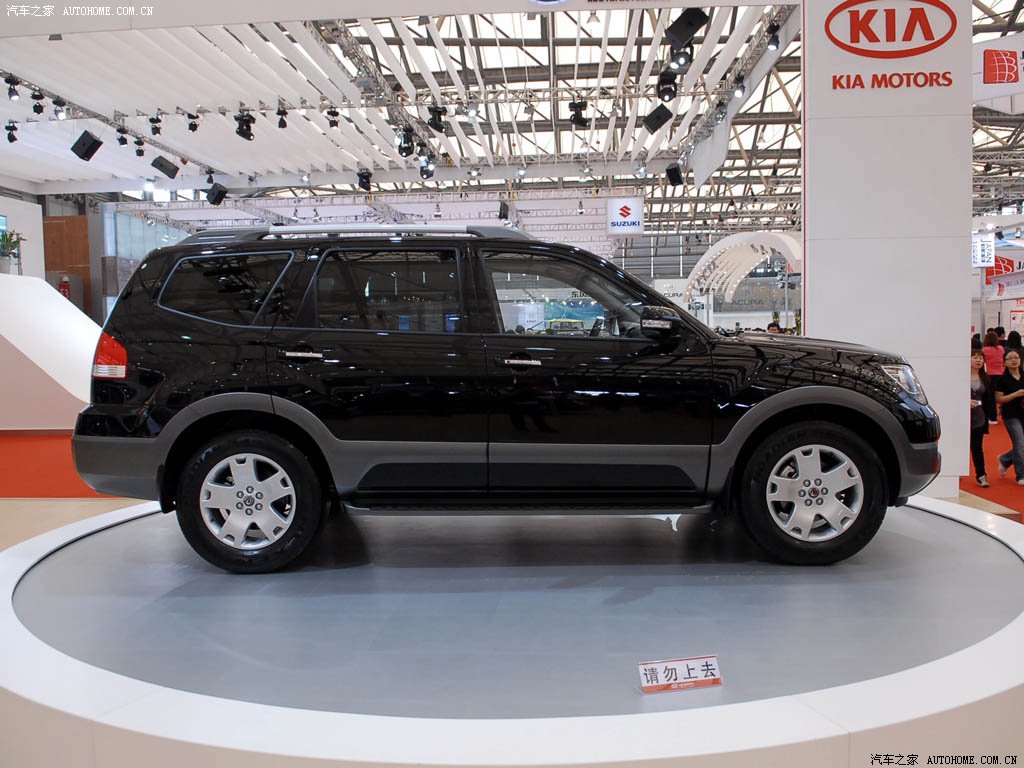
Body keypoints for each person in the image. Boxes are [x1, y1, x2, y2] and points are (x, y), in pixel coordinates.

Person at [970, 349, 998, 487]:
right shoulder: (961, 377)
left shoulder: (985, 378)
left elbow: (989, 399)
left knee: (977, 447)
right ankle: (955, 471)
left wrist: (992, 416)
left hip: (979, 416)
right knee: (959, 445)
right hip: (962, 417)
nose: (978, 360)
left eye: (981, 358)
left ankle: (981, 475)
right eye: (975, 357)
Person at [996, 347, 1024, 485]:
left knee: (1021, 446)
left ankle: (1005, 459)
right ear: (1004, 362)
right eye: (1010, 358)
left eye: (1016, 358)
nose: (1014, 360)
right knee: (1019, 444)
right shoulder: (1002, 380)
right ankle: (1021, 475)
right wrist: (1015, 394)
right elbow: (999, 399)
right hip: (1011, 415)